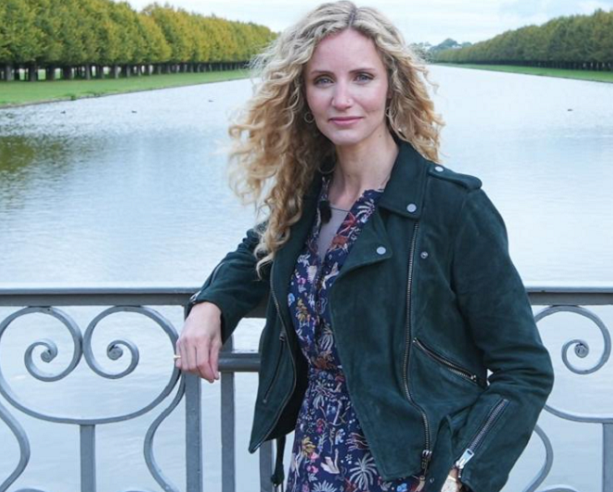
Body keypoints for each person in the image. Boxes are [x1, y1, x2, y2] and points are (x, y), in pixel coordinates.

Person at [174, 2, 554, 491]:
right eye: (323, 80)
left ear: (391, 86)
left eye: (362, 77)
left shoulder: (451, 206)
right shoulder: (307, 201)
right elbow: (256, 252)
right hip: (314, 465)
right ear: (302, 95)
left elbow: (524, 370)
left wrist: (461, 477)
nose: (342, 99)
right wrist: (210, 306)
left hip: (411, 475)